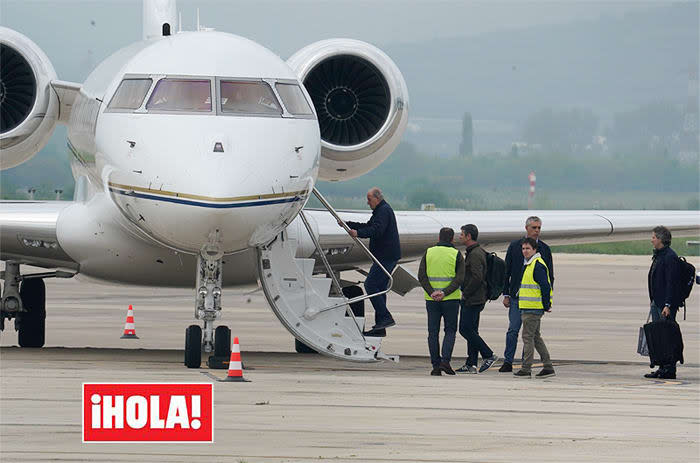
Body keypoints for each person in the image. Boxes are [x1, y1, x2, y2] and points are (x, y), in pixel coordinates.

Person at [344, 187, 401, 336]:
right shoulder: (381, 210)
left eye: (369, 199)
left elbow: (376, 230)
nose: (367, 202)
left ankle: (386, 318)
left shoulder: (383, 211)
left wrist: (358, 233)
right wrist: (349, 224)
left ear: (377, 198)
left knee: (371, 285)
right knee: (380, 289)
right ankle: (380, 328)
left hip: (386, 256)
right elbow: (370, 226)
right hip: (386, 255)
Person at [500, 216, 554, 373]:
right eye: (534, 228)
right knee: (514, 330)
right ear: (526, 228)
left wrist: (547, 301)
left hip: (533, 302)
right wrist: (506, 293)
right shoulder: (515, 246)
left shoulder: (544, 249)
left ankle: (526, 365)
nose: (537, 231)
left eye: (539, 228)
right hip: (517, 297)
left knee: (529, 336)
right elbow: (507, 271)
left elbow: (549, 278)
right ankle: (508, 361)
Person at [417, 227, 465, 375]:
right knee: (450, 331)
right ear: (452, 239)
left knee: (433, 332)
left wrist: (432, 292)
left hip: (431, 300)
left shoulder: (429, 252)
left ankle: (435, 366)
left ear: (439, 238)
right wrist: (444, 292)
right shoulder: (456, 254)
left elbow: (422, 276)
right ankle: (445, 361)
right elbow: (459, 278)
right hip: (450, 299)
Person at [455, 224, 499, 374]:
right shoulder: (474, 252)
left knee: (465, 329)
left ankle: (488, 354)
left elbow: (477, 277)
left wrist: (466, 293)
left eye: (461, 234)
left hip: (473, 298)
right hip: (476, 297)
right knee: (472, 330)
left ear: (468, 236)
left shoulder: (475, 254)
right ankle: (471, 363)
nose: (459, 236)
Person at [513, 238, 555, 378]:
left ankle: (526, 368)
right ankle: (548, 366)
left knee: (527, 337)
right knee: (535, 337)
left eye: (528, 249)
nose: (525, 251)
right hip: (529, 307)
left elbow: (545, 286)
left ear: (535, 250)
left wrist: (546, 304)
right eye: (523, 248)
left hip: (532, 308)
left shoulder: (537, 265)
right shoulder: (530, 264)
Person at [644, 225, 680, 379]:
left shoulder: (670, 257)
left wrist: (668, 305)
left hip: (664, 304)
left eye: (653, 237)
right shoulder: (660, 255)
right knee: (659, 336)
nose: (651, 240)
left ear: (660, 239)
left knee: (667, 337)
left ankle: (669, 369)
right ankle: (662, 367)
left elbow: (672, 283)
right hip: (656, 302)